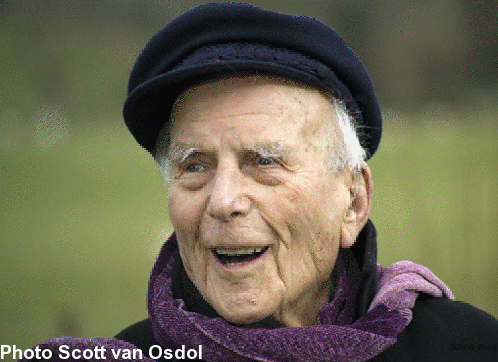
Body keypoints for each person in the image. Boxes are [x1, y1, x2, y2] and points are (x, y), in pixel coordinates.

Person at [19, 3, 498, 362]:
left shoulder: (466, 348)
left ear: (353, 201)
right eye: (194, 166)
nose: (223, 201)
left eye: (264, 161)